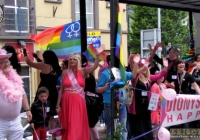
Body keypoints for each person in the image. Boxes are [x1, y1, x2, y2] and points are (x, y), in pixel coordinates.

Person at [56, 53, 100, 140]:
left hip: (78, 101)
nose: (72, 60)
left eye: (74, 59)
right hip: (66, 101)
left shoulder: (83, 71)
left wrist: (97, 57)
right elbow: (61, 90)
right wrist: (58, 105)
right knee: (68, 124)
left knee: (76, 123)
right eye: (71, 59)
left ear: (78, 61)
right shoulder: (65, 72)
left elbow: (94, 66)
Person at [23, 46, 62, 140]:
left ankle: (39, 135)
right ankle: (53, 137)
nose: (43, 59)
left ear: (47, 58)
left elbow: (29, 62)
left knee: (39, 113)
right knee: (51, 116)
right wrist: (37, 57)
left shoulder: (44, 66)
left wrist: (25, 53)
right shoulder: (57, 68)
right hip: (53, 93)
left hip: (43, 92)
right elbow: (43, 63)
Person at [129, 54, 168, 140]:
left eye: (145, 66)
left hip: (146, 105)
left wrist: (165, 67)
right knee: (139, 127)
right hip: (137, 106)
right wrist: (136, 64)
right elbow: (134, 73)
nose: (144, 68)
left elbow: (159, 76)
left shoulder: (148, 78)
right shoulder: (135, 78)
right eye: (141, 66)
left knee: (147, 125)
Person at [96, 55, 134, 140]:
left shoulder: (121, 72)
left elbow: (132, 75)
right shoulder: (105, 74)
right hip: (110, 104)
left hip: (121, 104)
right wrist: (105, 87)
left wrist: (135, 64)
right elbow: (98, 89)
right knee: (111, 127)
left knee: (123, 127)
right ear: (110, 62)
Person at [0, 49, 32, 140]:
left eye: (7, 62)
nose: (6, 64)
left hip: (16, 121)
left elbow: (23, 95)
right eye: (2, 62)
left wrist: (28, 110)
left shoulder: (15, 78)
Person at [165, 59, 200, 128]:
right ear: (176, 65)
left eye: (183, 63)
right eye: (180, 63)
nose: (181, 64)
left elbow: (195, 85)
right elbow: (165, 83)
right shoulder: (172, 74)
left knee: (185, 118)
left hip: (184, 100)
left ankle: (185, 136)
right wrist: (169, 84)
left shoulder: (187, 75)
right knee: (175, 118)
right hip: (174, 100)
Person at [149, 70, 166, 140]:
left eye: (163, 76)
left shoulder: (164, 85)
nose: (162, 78)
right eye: (160, 76)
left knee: (161, 125)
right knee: (155, 125)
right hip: (155, 109)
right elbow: (153, 99)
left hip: (162, 108)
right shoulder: (154, 86)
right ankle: (154, 137)